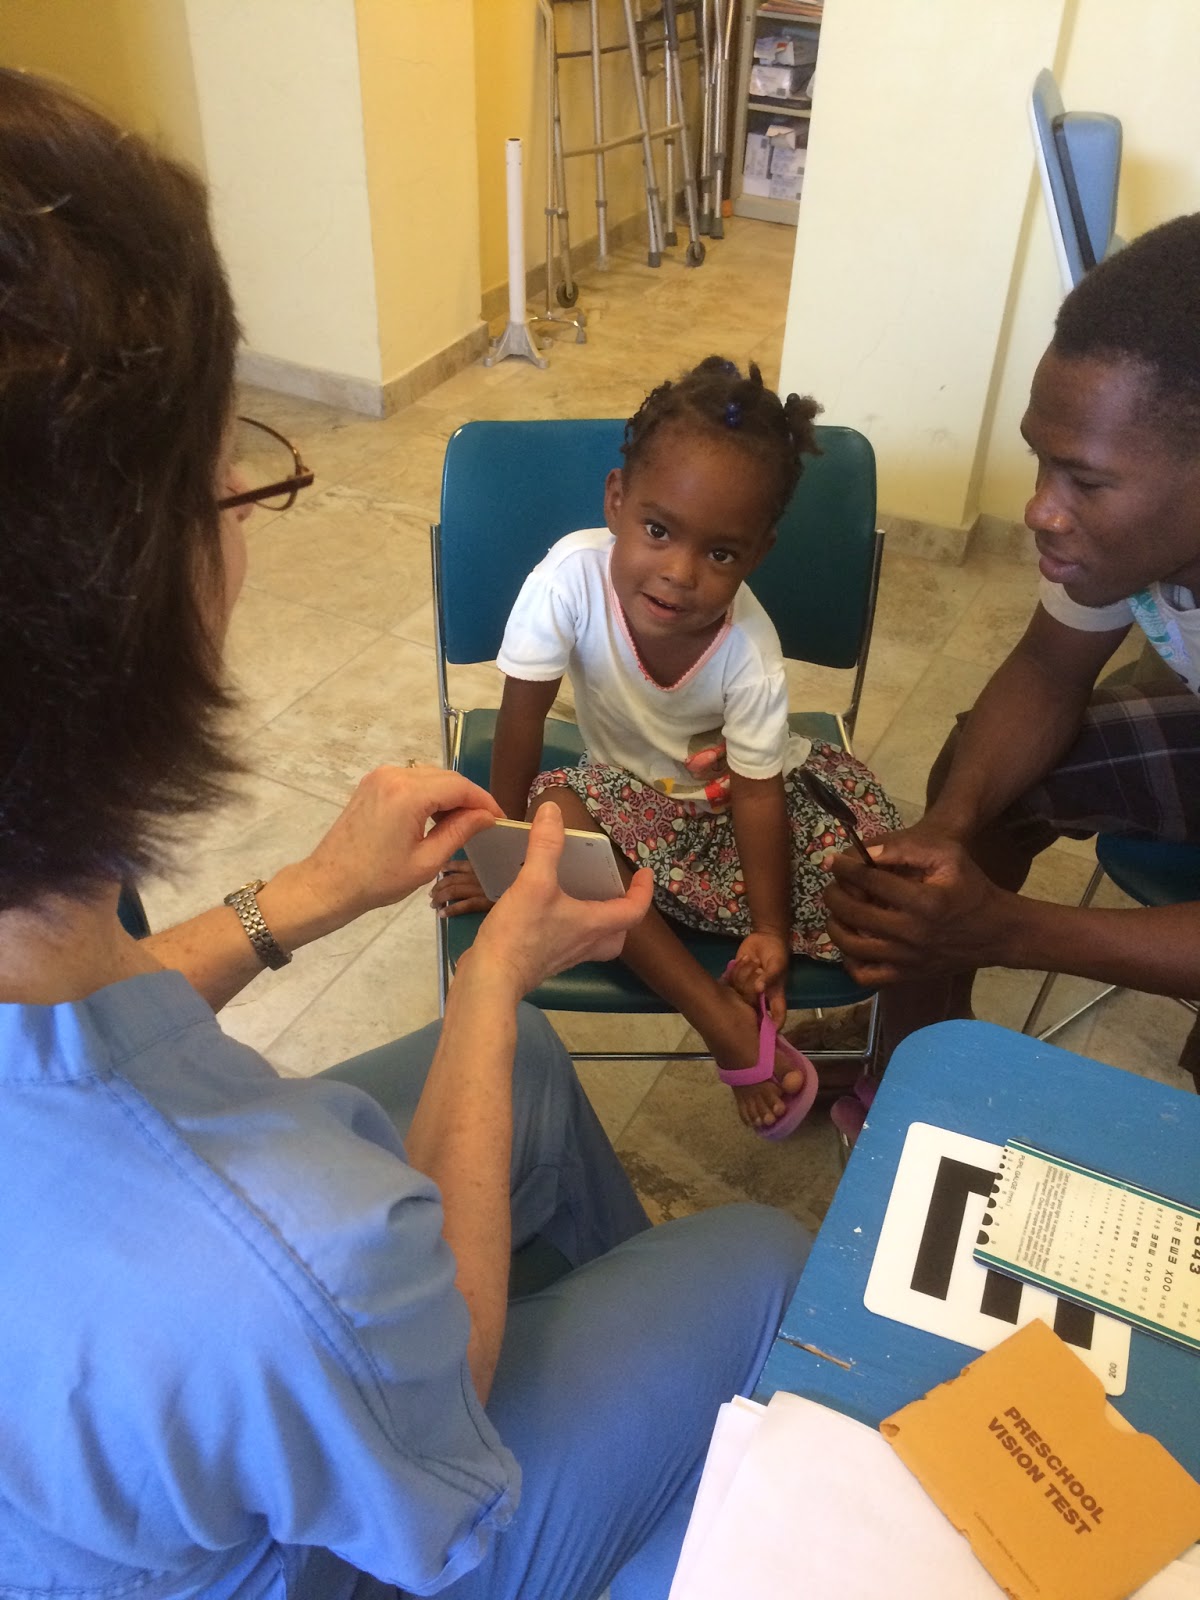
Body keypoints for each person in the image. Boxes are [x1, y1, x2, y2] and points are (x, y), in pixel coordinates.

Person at [0, 69, 812, 1600]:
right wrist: (494, 974)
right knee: (763, 1263)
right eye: (229, 475)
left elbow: (62, 1029)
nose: (247, 509)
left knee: (534, 1078)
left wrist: (308, 894)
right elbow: (406, 1325)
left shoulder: (51, 971)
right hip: (352, 1538)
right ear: (137, 591)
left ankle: (617, 1417)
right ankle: (602, 1480)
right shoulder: (282, 1260)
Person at [432, 357, 900, 1134]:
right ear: (616, 500)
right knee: (555, 815)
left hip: (734, 816)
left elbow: (759, 795)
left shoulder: (749, 648)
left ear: (758, 553)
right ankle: (715, 1015)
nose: (679, 573)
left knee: (886, 898)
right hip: (631, 812)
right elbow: (520, 722)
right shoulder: (568, 580)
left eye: (720, 554)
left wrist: (769, 930)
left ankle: (866, 1051)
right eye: (658, 531)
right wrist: (503, 859)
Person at [824, 213, 1200, 1065]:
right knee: (983, 777)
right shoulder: (1111, 542)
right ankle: (909, 1058)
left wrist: (1009, 929)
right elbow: (1045, 671)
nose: (1041, 509)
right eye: (1042, 460)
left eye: (1086, 482)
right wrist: (949, 829)